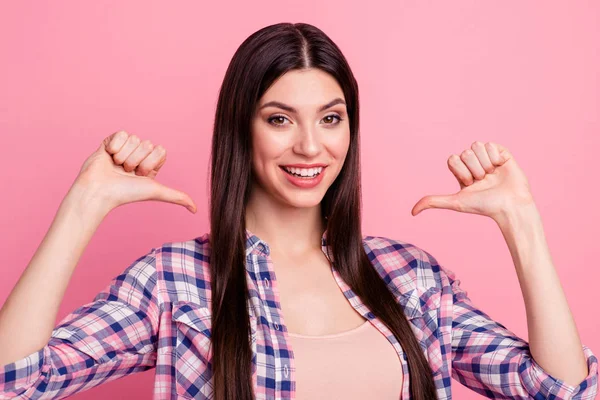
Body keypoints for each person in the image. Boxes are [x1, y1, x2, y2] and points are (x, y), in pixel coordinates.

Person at [0, 22, 597, 400]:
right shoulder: (175, 283)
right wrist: (83, 206)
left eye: (331, 118)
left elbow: (559, 390)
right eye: (280, 118)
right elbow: (14, 381)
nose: (311, 147)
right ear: (242, 128)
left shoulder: (411, 279)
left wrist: (522, 222)